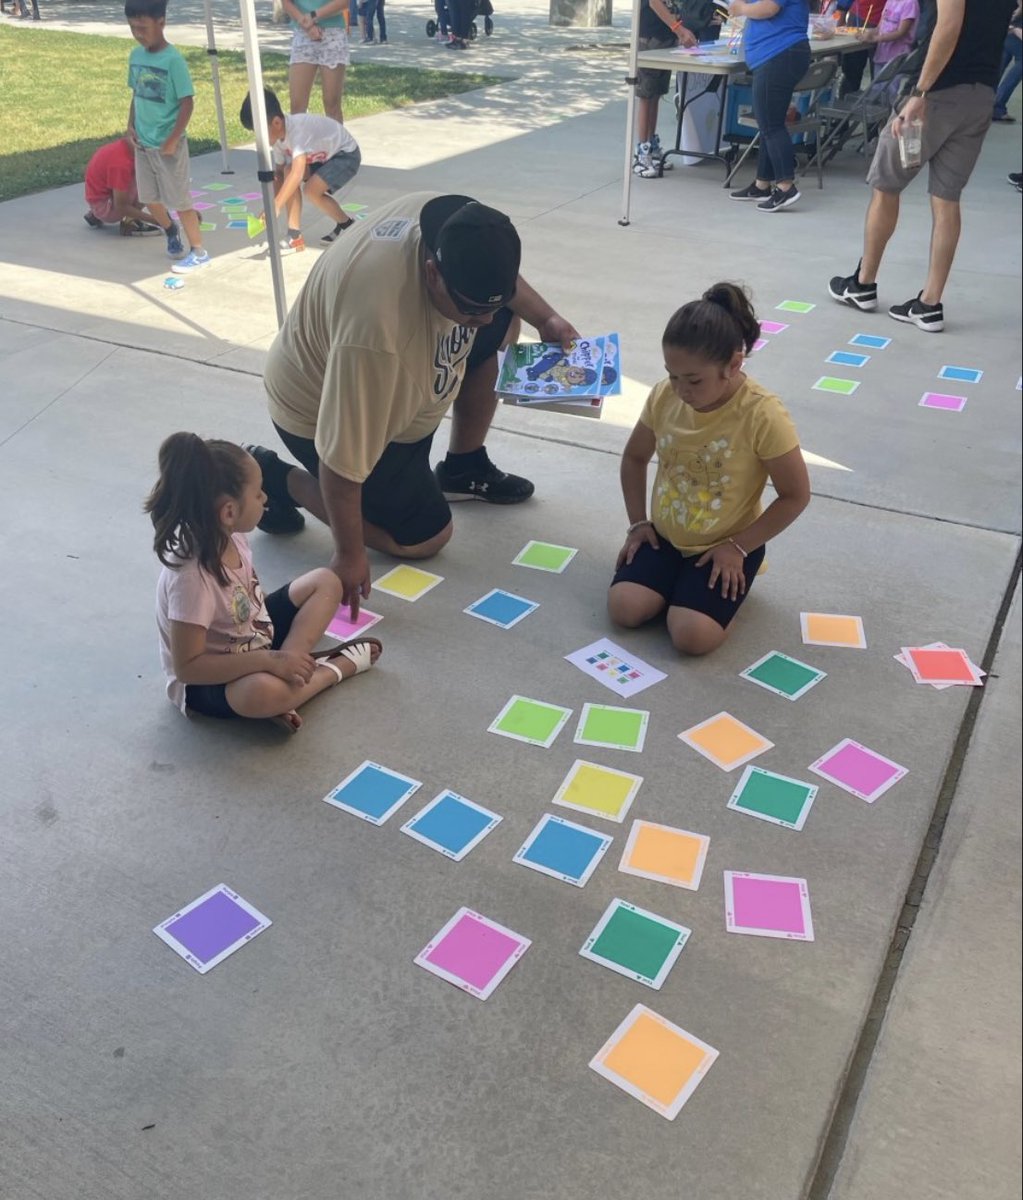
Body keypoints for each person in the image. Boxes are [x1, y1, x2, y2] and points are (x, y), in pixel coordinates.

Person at [247, 192, 578, 620]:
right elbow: (342, 458)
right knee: (425, 538)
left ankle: (464, 467)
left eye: (490, 303)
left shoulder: (455, 224)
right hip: (317, 411)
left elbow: (497, 286)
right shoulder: (377, 336)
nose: (480, 320)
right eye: (470, 310)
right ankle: (276, 477)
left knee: (504, 318)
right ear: (432, 273)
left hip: (405, 390)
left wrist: (546, 318)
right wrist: (348, 555)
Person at [608, 283, 810, 656]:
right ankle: (681, 587)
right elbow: (634, 457)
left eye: (694, 380)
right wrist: (637, 524)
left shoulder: (763, 413)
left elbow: (795, 495)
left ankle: (699, 595)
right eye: (672, 375)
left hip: (727, 546)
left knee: (692, 637)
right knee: (624, 609)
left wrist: (738, 547)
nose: (680, 389)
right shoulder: (663, 396)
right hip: (666, 537)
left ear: (733, 364)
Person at [145, 433, 382, 733]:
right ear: (229, 512)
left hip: (252, 637)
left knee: (326, 581)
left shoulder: (232, 536)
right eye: (258, 493)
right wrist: (269, 660)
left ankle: (293, 670)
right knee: (260, 693)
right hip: (209, 680)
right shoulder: (191, 579)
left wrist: (280, 659)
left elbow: (246, 597)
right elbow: (188, 668)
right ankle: (330, 671)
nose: (266, 498)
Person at [829, 0, 1016, 331]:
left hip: (937, 93)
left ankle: (863, 283)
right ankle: (929, 304)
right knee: (947, 198)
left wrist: (920, 92)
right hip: (980, 95)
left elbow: (949, 26)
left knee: (886, 186)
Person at [125, 0, 209, 274]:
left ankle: (199, 251)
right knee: (149, 197)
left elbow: (187, 103)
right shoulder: (136, 56)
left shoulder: (173, 61)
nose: (138, 34)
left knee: (180, 201)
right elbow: (137, 94)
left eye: (143, 27)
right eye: (133, 28)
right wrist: (130, 125)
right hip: (143, 144)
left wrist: (173, 138)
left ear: (161, 22)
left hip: (168, 146)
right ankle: (170, 229)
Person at [240, 87, 360, 251]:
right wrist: (271, 206)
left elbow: (297, 174)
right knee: (287, 172)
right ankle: (294, 235)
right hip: (322, 157)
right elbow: (279, 175)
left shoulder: (298, 131)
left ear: (276, 123)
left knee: (311, 190)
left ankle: (347, 225)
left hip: (345, 155)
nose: (258, 138)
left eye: (260, 132)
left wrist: (277, 205)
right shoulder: (278, 141)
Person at [728, 0, 811, 211]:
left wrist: (742, 9)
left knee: (771, 125)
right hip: (776, 54)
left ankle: (785, 187)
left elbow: (769, 8)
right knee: (768, 122)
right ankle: (762, 184)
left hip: (777, 54)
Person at [632, 0, 699, 178]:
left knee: (656, 94)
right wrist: (679, 29)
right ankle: (642, 151)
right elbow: (654, 3)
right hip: (649, 36)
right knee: (646, 96)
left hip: (666, 37)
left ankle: (652, 144)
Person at [283, 0, 350, 123]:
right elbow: (286, 3)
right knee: (297, 106)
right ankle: (301, 135)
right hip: (303, 32)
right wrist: (306, 24)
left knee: (332, 104)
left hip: (333, 33)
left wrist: (313, 16)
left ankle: (336, 136)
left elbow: (344, 2)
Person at [82, 135, 161, 235]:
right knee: (151, 184)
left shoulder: (123, 147)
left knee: (143, 175)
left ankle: (96, 214)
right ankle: (130, 223)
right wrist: (158, 220)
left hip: (98, 200)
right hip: (105, 207)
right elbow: (121, 206)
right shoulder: (122, 165)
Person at [835, 0, 886, 95]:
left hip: (884, 21)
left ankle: (876, 99)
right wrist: (838, 20)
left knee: (879, 71)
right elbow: (843, 4)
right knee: (851, 68)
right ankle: (846, 98)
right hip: (858, 18)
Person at [858, 0, 917, 71]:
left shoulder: (910, 3)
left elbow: (901, 32)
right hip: (881, 55)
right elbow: (879, 28)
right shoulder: (889, 1)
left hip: (897, 57)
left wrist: (875, 38)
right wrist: (868, 33)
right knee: (877, 78)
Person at [992, 6, 1022, 122]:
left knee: (998, 67)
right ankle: (997, 106)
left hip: (1010, 28)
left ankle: (988, 104)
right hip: (1015, 30)